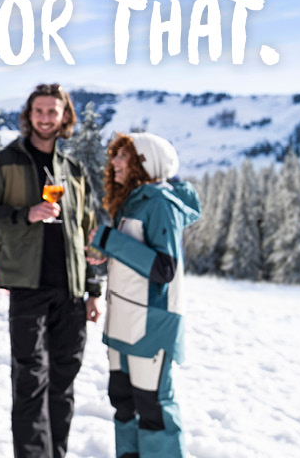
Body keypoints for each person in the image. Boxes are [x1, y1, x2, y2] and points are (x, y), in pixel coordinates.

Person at [0, 84, 101, 458]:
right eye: (39, 111)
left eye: (53, 112)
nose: (46, 118)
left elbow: (85, 234)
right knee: (30, 382)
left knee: (63, 383)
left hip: (72, 293)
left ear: (64, 117)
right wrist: (25, 214)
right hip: (29, 288)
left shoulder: (73, 170)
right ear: (29, 116)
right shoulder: (6, 160)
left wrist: (93, 290)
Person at [87, 133, 200, 458]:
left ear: (146, 161)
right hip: (124, 321)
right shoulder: (135, 200)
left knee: (152, 408)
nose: (115, 163)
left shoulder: (162, 203)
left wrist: (111, 241)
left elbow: (164, 268)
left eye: (124, 156)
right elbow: (139, 254)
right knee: (124, 401)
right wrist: (109, 253)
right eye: (116, 156)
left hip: (151, 324)